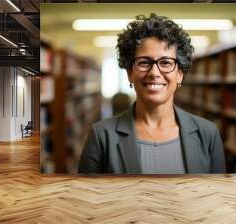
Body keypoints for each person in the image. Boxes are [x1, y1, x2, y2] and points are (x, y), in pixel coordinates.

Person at [78, 13, 225, 174]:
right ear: (129, 73)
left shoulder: (208, 134)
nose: (154, 72)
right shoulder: (101, 136)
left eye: (166, 63)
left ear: (180, 74)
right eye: (144, 62)